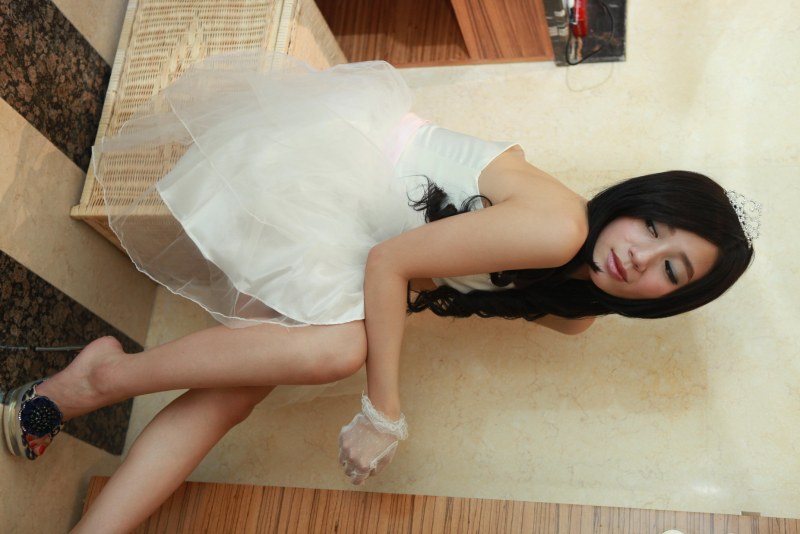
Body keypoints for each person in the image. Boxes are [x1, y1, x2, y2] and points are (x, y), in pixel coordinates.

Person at [1, 52, 759, 533]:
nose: (640, 255)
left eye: (671, 270)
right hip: (337, 174)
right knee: (337, 349)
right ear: (634, 200)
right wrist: (382, 413)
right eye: (652, 225)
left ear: (665, 300)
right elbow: (392, 262)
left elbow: (418, 270)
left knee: (235, 394)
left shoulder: (571, 308)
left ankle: (91, 410)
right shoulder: (559, 226)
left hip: (351, 240)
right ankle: (100, 380)